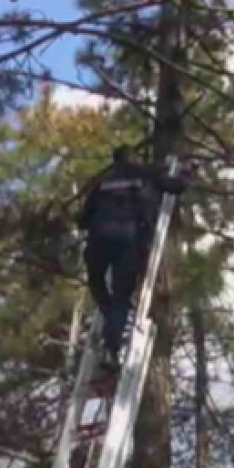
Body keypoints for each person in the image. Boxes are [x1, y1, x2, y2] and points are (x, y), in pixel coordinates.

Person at [77, 145, 189, 365]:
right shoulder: (146, 173)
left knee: (96, 281)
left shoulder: (101, 182)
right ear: (133, 158)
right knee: (121, 294)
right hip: (129, 240)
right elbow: (176, 186)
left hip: (98, 240)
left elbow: (81, 220)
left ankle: (109, 314)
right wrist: (187, 171)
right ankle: (112, 343)